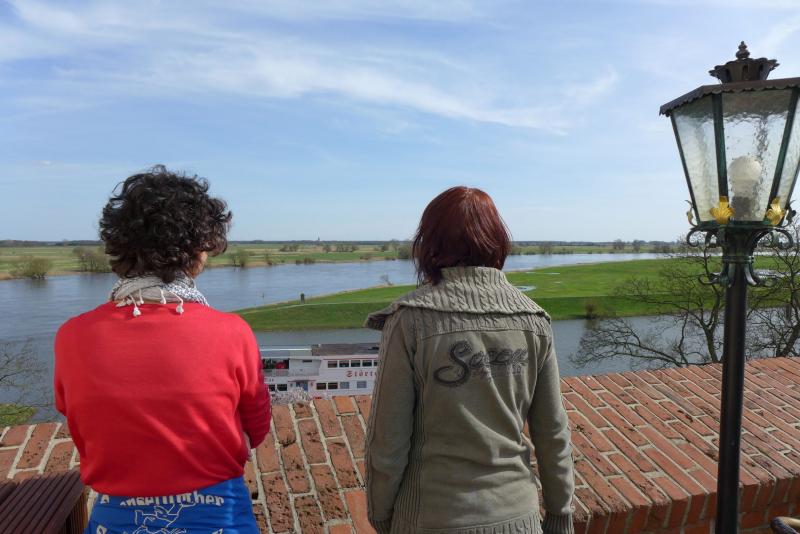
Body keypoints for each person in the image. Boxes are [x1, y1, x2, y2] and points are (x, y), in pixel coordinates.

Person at [54, 166, 270, 534]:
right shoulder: (232, 332)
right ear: (198, 250)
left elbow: (79, 423)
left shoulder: (72, 336)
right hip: (220, 518)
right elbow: (257, 426)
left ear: (119, 246)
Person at [364, 186, 575, 534]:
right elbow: (552, 433)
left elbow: (388, 440)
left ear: (430, 244)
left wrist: (382, 514)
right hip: (519, 516)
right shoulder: (535, 321)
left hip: (431, 518)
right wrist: (560, 513)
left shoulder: (410, 321)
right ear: (497, 241)